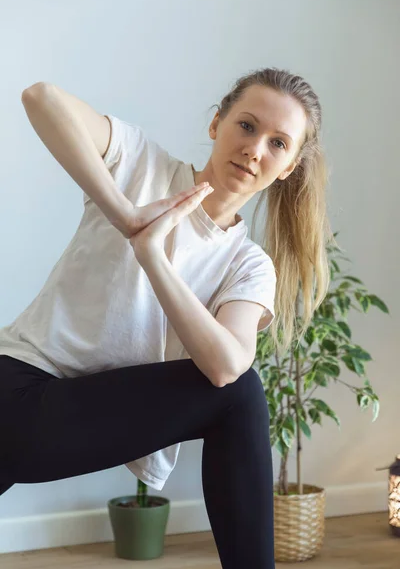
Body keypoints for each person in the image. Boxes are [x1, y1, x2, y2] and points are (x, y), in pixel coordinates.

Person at [0, 67, 332, 568]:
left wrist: (152, 255)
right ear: (216, 124)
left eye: (278, 143)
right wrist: (126, 215)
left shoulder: (248, 266)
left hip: (81, 421)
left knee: (238, 391)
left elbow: (226, 367)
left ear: (287, 168)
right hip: (17, 392)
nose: (255, 149)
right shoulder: (141, 165)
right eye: (246, 126)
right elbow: (40, 97)